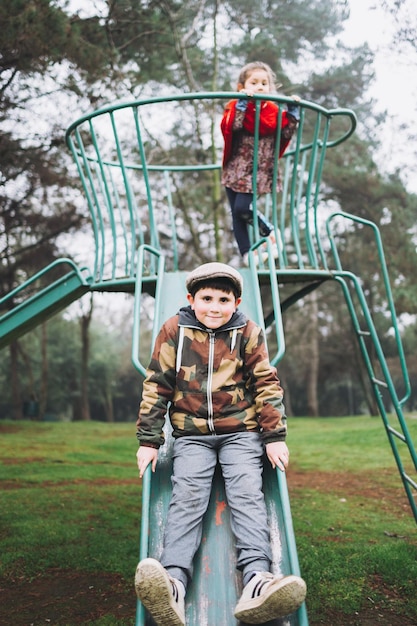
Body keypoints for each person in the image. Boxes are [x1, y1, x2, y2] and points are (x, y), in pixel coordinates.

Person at [134, 262, 306, 626]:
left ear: (236, 301)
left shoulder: (247, 331)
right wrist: (149, 440)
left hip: (241, 432)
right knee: (188, 497)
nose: (214, 306)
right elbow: (157, 384)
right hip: (192, 435)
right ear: (191, 299)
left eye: (223, 299)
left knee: (246, 492)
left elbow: (266, 384)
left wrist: (274, 436)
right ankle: (173, 583)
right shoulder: (174, 331)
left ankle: (257, 581)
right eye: (206, 298)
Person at [221, 61, 300, 265]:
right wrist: (242, 103)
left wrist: (293, 113)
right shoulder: (237, 107)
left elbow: (285, 132)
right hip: (236, 167)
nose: (259, 87)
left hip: (256, 169)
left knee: (242, 208)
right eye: (254, 82)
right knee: (236, 214)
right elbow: (233, 126)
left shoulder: (272, 111)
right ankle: (248, 254)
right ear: (242, 87)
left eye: (264, 83)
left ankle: (269, 232)